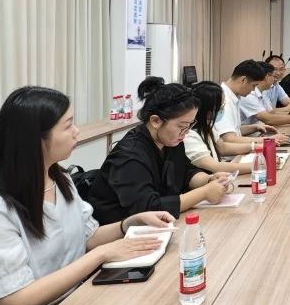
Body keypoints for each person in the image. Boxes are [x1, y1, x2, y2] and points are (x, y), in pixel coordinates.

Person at [0, 86, 174, 305]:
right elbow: (16, 304)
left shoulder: (60, 179)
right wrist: (100, 256)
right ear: (36, 139)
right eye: (68, 125)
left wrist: (128, 224)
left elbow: (87, 237)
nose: (77, 132)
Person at [88, 77, 232, 225]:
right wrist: (204, 193)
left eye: (190, 125)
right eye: (182, 126)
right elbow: (149, 208)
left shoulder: (171, 141)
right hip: (119, 229)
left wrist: (209, 180)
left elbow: (187, 173)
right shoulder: (129, 155)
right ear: (156, 121)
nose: (186, 132)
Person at [213, 60, 289, 155]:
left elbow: (233, 131)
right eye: (254, 85)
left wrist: (255, 127)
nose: (253, 90)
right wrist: (267, 140)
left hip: (240, 151)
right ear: (243, 80)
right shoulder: (224, 100)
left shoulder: (234, 95)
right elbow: (229, 139)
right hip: (232, 157)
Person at [184, 81, 253, 176]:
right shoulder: (189, 136)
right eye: (221, 107)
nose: (223, 109)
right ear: (209, 112)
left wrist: (254, 147)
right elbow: (216, 167)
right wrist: (257, 165)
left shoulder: (207, 125)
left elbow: (222, 147)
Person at [240, 62, 290, 129]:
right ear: (267, 77)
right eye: (273, 76)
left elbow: (271, 112)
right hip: (251, 134)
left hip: (259, 130)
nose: (275, 78)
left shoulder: (263, 91)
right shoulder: (250, 94)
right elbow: (267, 119)